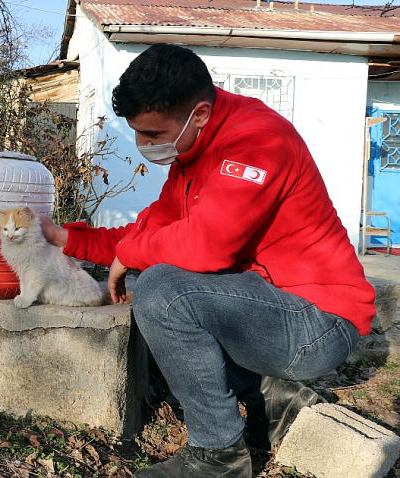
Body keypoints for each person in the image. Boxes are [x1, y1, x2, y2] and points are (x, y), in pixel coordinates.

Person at [39, 44, 375, 477]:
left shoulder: (257, 141)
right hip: (268, 304)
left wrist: (132, 254)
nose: (144, 146)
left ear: (198, 114)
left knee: (164, 292)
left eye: (154, 135)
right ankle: (265, 396)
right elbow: (147, 233)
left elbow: (206, 248)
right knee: (153, 286)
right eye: (138, 132)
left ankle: (218, 457)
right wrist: (67, 238)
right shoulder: (192, 151)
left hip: (319, 322)